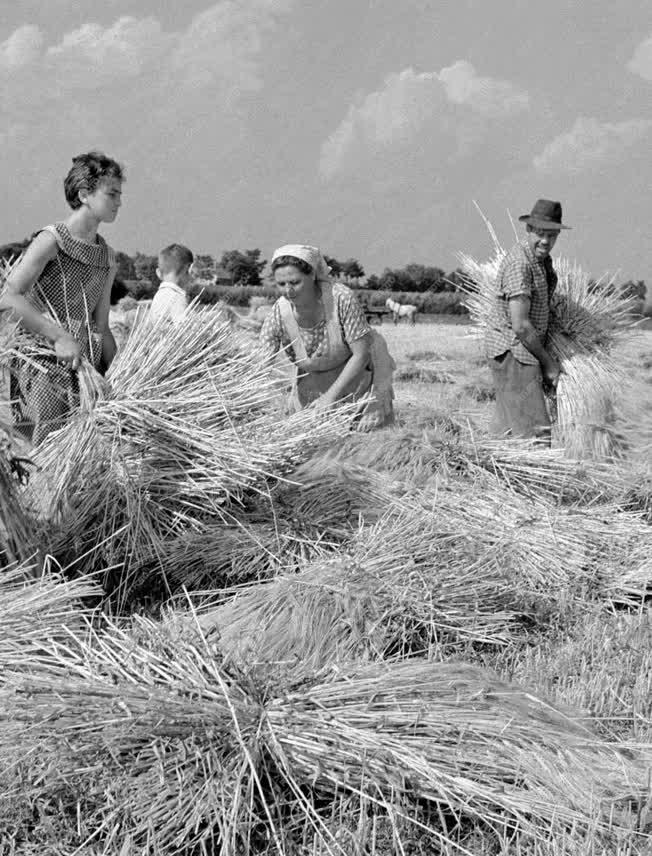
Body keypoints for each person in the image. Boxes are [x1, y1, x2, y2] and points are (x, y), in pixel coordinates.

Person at [0, 151, 123, 445]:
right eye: (112, 193)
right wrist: (58, 337)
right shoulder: (52, 240)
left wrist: (120, 371)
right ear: (84, 194)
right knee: (44, 455)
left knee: (84, 458)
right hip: (44, 368)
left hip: (86, 371)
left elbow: (101, 326)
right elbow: (9, 297)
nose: (120, 201)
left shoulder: (107, 257)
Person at [260, 244, 394, 429]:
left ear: (313, 275)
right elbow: (262, 362)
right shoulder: (279, 313)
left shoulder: (341, 299)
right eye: (281, 284)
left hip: (358, 376)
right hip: (314, 381)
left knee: (364, 441)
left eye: (295, 282)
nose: (288, 291)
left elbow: (360, 355)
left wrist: (330, 398)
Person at [485, 198, 570, 442]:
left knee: (509, 425)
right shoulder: (520, 265)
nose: (545, 241)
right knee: (535, 431)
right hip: (513, 352)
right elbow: (521, 325)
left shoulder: (542, 262)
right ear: (529, 229)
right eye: (540, 233)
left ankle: (490, 470)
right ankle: (536, 476)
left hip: (522, 350)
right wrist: (549, 364)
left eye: (552, 235)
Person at [149, 244, 194, 323]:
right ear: (188, 269)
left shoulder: (159, 295)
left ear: (158, 273)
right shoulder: (176, 298)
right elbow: (184, 328)